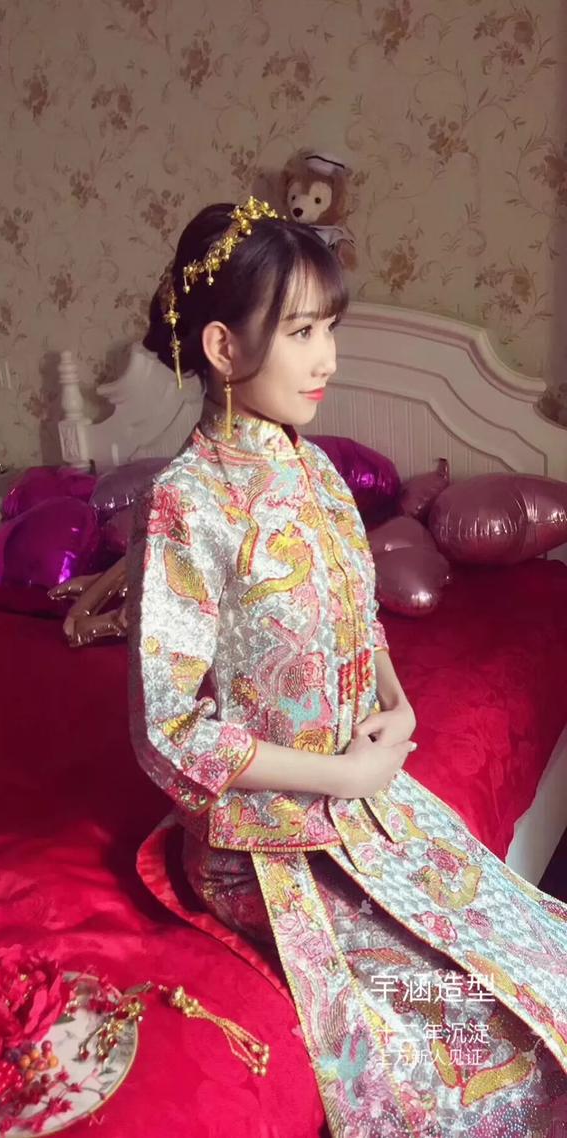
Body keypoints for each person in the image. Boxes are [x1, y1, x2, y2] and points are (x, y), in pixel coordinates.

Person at [127, 197, 567, 1136]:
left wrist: (398, 711)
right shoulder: (184, 503)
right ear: (222, 347)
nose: (328, 358)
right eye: (301, 332)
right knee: (462, 1022)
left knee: (534, 957)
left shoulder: (318, 471)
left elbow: (359, 622)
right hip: (262, 844)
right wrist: (345, 777)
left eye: (330, 328)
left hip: (365, 796)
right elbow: (168, 733)